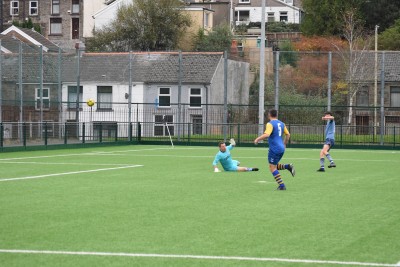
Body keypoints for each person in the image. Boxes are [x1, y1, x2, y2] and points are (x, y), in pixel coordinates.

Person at [254, 109, 295, 190]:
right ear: (276, 115)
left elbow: (267, 135)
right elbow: (288, 134)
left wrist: (257, 139)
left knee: (272, 167)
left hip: (275, 148)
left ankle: (282, 186)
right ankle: (288, 166)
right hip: (281, 148)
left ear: (269, 115)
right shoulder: (282, 123)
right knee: (274, 165)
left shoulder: (270, 124)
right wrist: (284, 144)